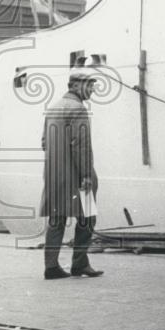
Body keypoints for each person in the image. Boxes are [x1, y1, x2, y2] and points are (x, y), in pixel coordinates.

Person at [40, 70, 103, 279]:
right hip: (77, 176)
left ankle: (51, 267)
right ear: (76, 86)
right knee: (88, 217)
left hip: (53, 174)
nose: (93, 89)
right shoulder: (78, 109)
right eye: (89, 85)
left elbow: (43, 143)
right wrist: (86, 174)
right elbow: (81, 146)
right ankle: (79, 264)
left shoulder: (53, 107)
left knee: (56, 219)